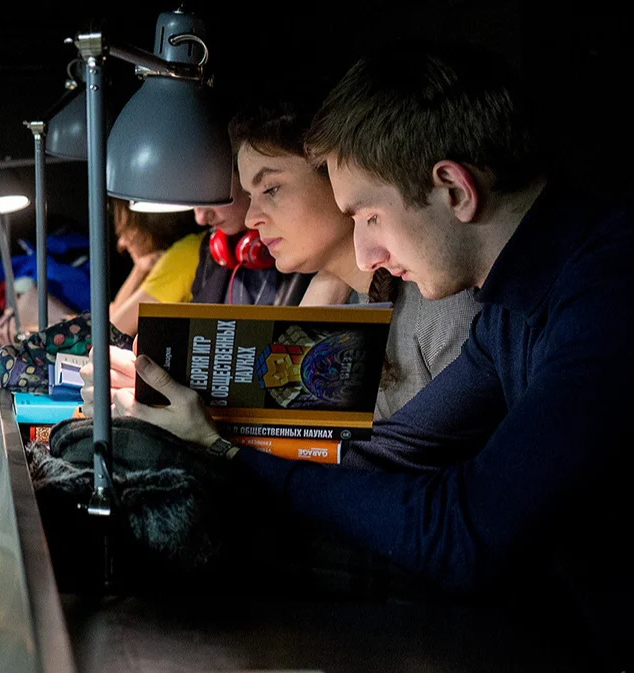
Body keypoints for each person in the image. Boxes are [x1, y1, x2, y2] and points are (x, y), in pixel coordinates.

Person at [107, 46, 634, 670]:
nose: (366, 256)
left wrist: (227, 452)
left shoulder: (611, 295)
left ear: (454, 189)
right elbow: (391, 450)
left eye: (370, 216)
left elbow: (463, 533)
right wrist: (211, 435)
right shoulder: (511, 306)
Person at [232, 91, 480, 422]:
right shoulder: (344, 301)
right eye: (250, 196)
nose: (251, 219)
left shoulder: (441, 298)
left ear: (337, 178)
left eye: (271, 189)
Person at [190, 161, 310, 306]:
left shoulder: (309, 249)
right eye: (192, 200)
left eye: (209, 194)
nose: (200, 219)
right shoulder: (210, 251)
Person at [108, 198, 202, 336]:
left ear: (152, 223)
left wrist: (138, 272)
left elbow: (110, 332)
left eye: (127, 229)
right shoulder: (193, 247)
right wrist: (139, 270)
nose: (121, 244)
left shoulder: (182, 255)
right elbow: (110, 315)